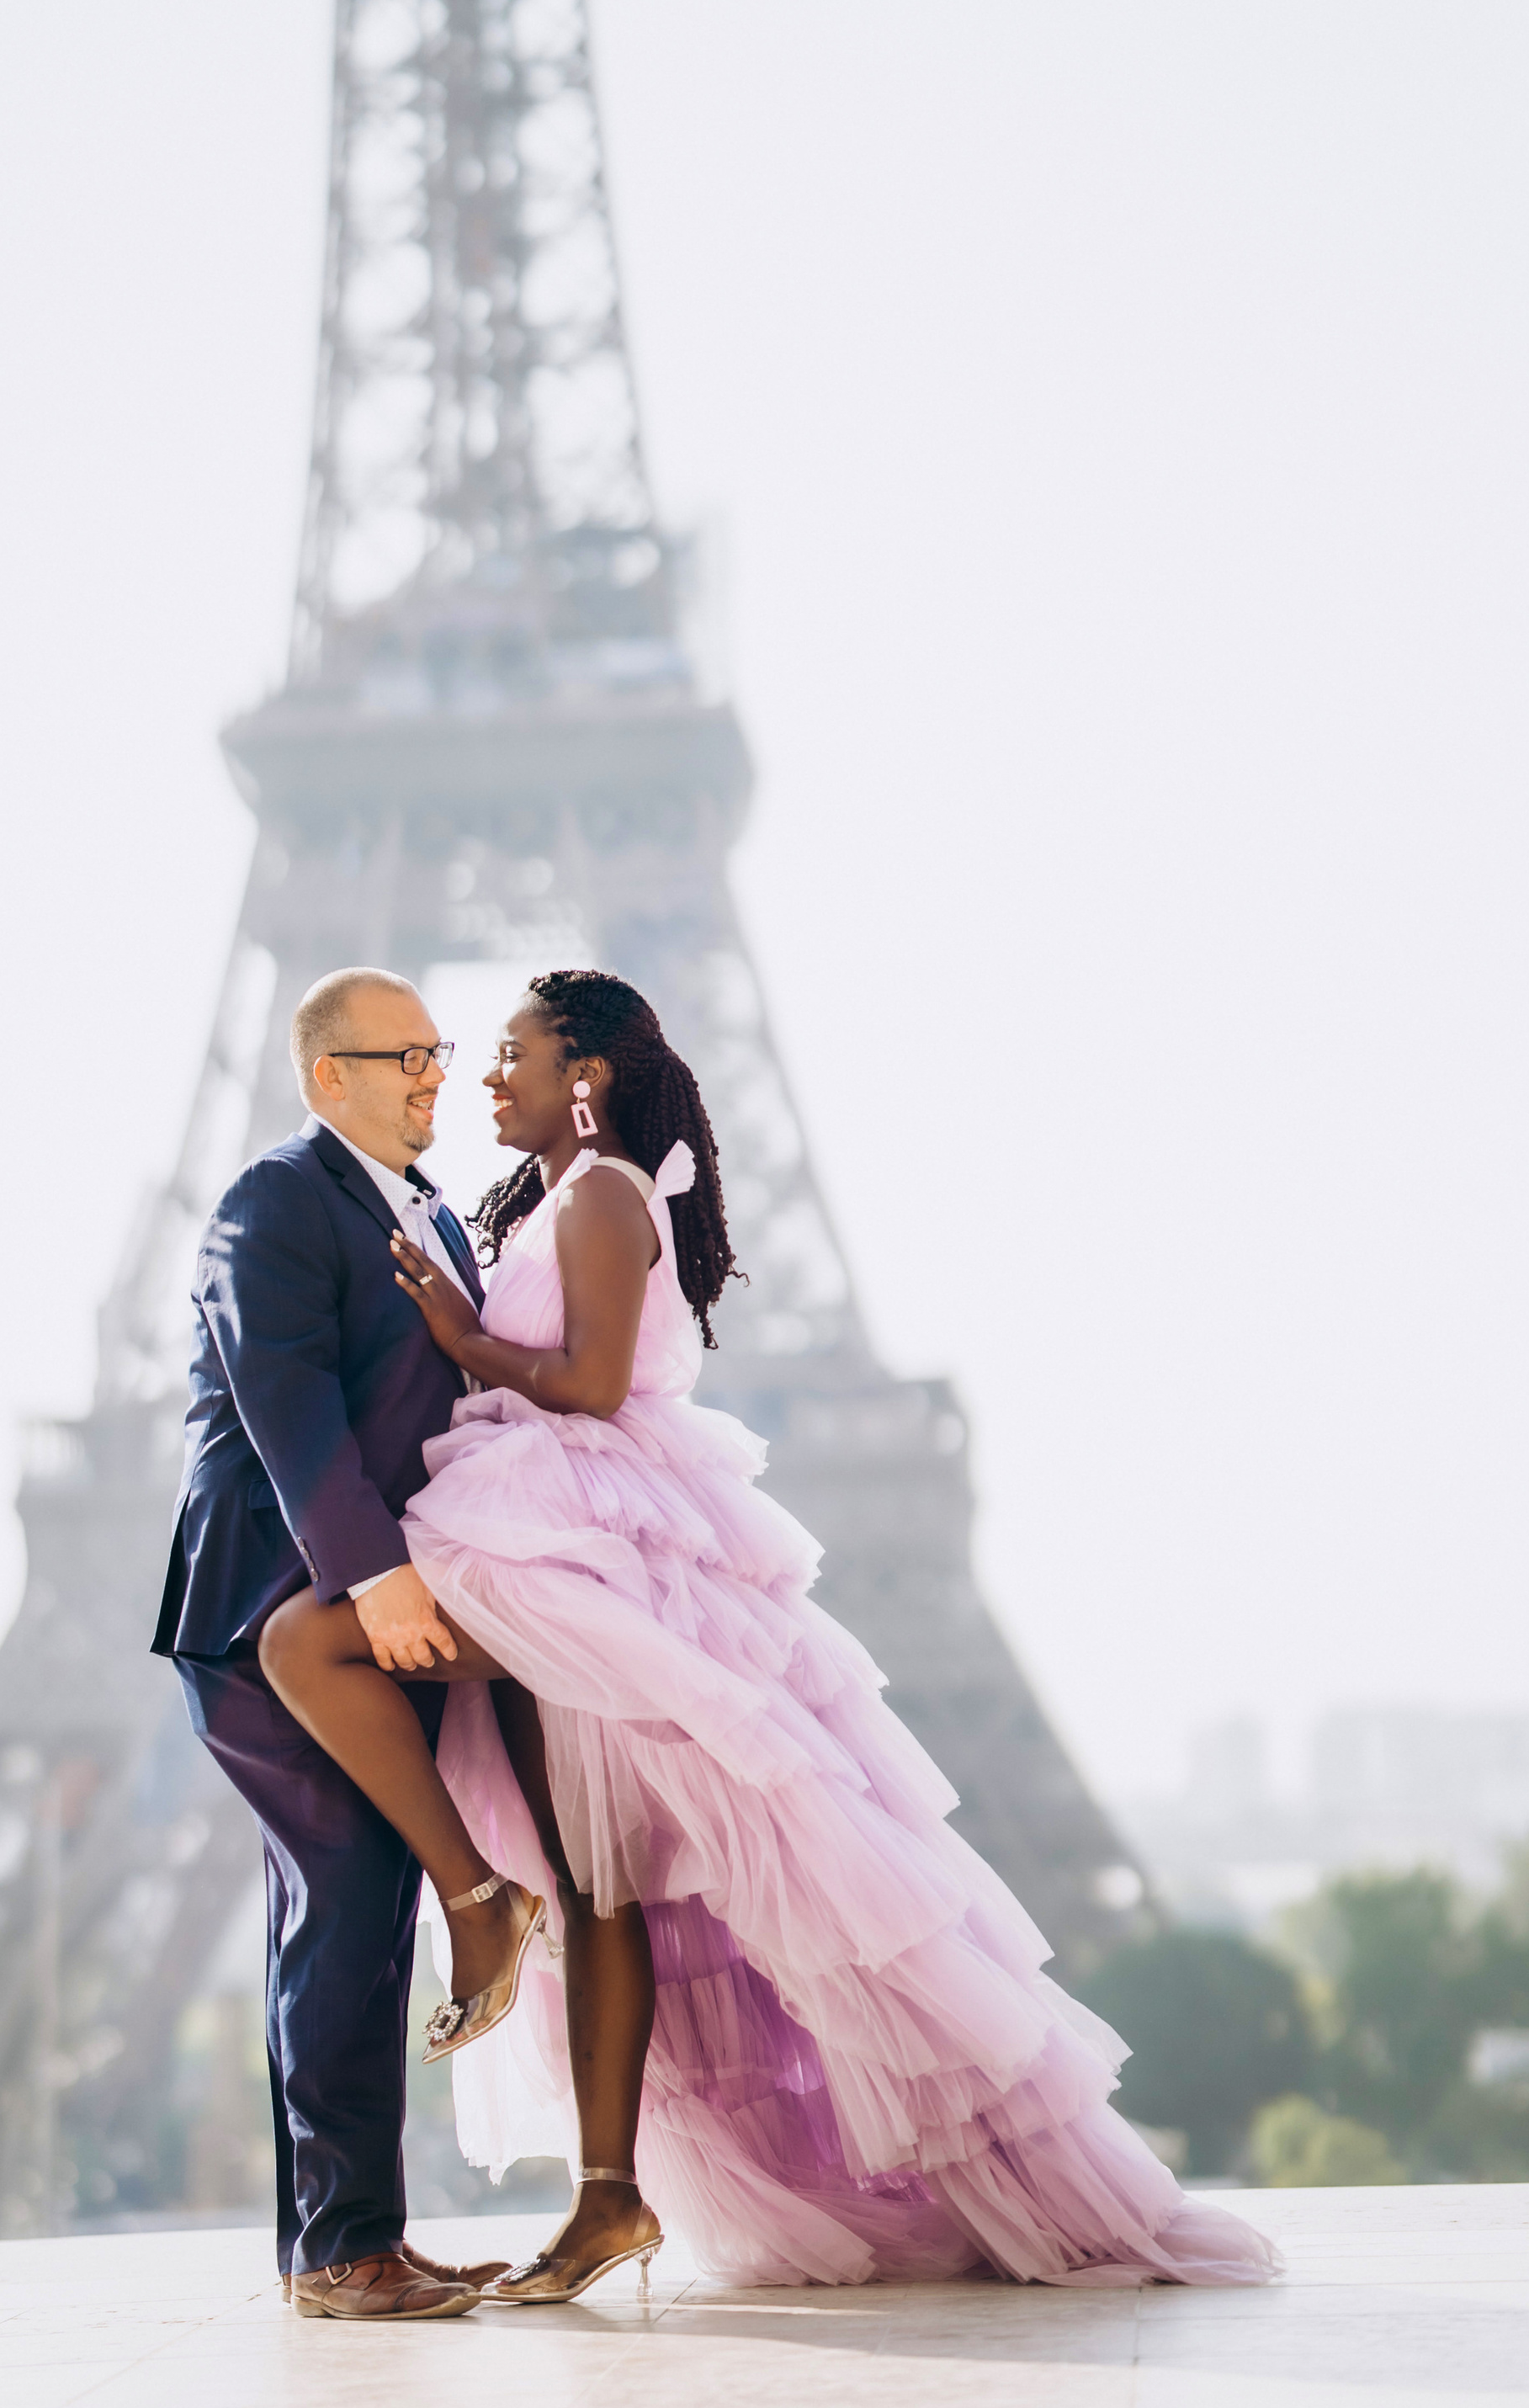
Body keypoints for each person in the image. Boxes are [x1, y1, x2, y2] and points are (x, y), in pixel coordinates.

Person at [260, 969, 1282, 2299]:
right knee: (600, 1889)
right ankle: (608, 2194)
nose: (483, 1077)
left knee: (309, 1648)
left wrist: (460, 1335)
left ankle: (476, 1903)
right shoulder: (537, 1204)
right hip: (534, 1521)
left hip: (578, 1528)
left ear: (588, 1077)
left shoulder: (611, 1191)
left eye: (508, 1053)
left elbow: (592, 1383)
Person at [151, 966, 512, 2322]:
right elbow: (287, 1407)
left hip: (374, 1612)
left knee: (361, 1913)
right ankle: (339, 2253)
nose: (434, 1071)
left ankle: (353, 2240)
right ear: (328, 1078)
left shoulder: (429, 1216)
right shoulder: (276, 1201)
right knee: (347, 1901)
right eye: (404, 1051)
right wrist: (374, 1577)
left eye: (439, 1046)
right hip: (279, 1608)